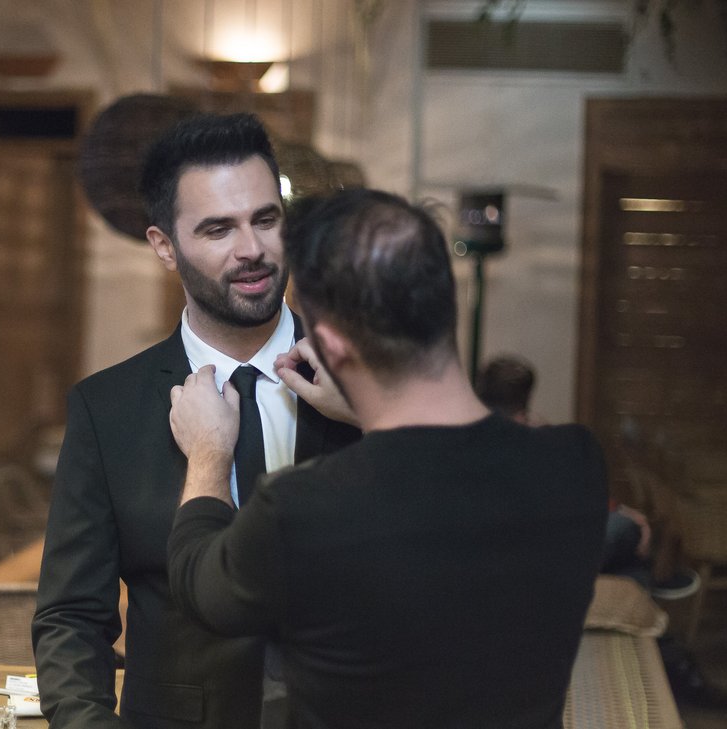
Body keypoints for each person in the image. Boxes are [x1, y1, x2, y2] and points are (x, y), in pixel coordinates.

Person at [165, 189, 607, 728]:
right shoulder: (574, 465)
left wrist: (209, 452)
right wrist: (362, 409)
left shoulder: (303, 510)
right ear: (444, 302)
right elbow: (437, 485)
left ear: (331, 344)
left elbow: (201, 586)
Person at [31, 113, 360, 729]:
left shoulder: (365, 380)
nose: (252, 249)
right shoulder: (108, 409)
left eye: (266, 220)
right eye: (218, 228)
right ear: (165, 246)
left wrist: (373, 413)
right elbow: (71, 618)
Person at [475, 355, 727, 712]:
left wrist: (613, 507)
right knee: (625, 533)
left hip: (558, 545)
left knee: (626, 556)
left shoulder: (540, 438)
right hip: (528, 558)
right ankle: (682, 665)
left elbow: (575, 492)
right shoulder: (474, 443)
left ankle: (668, 634)